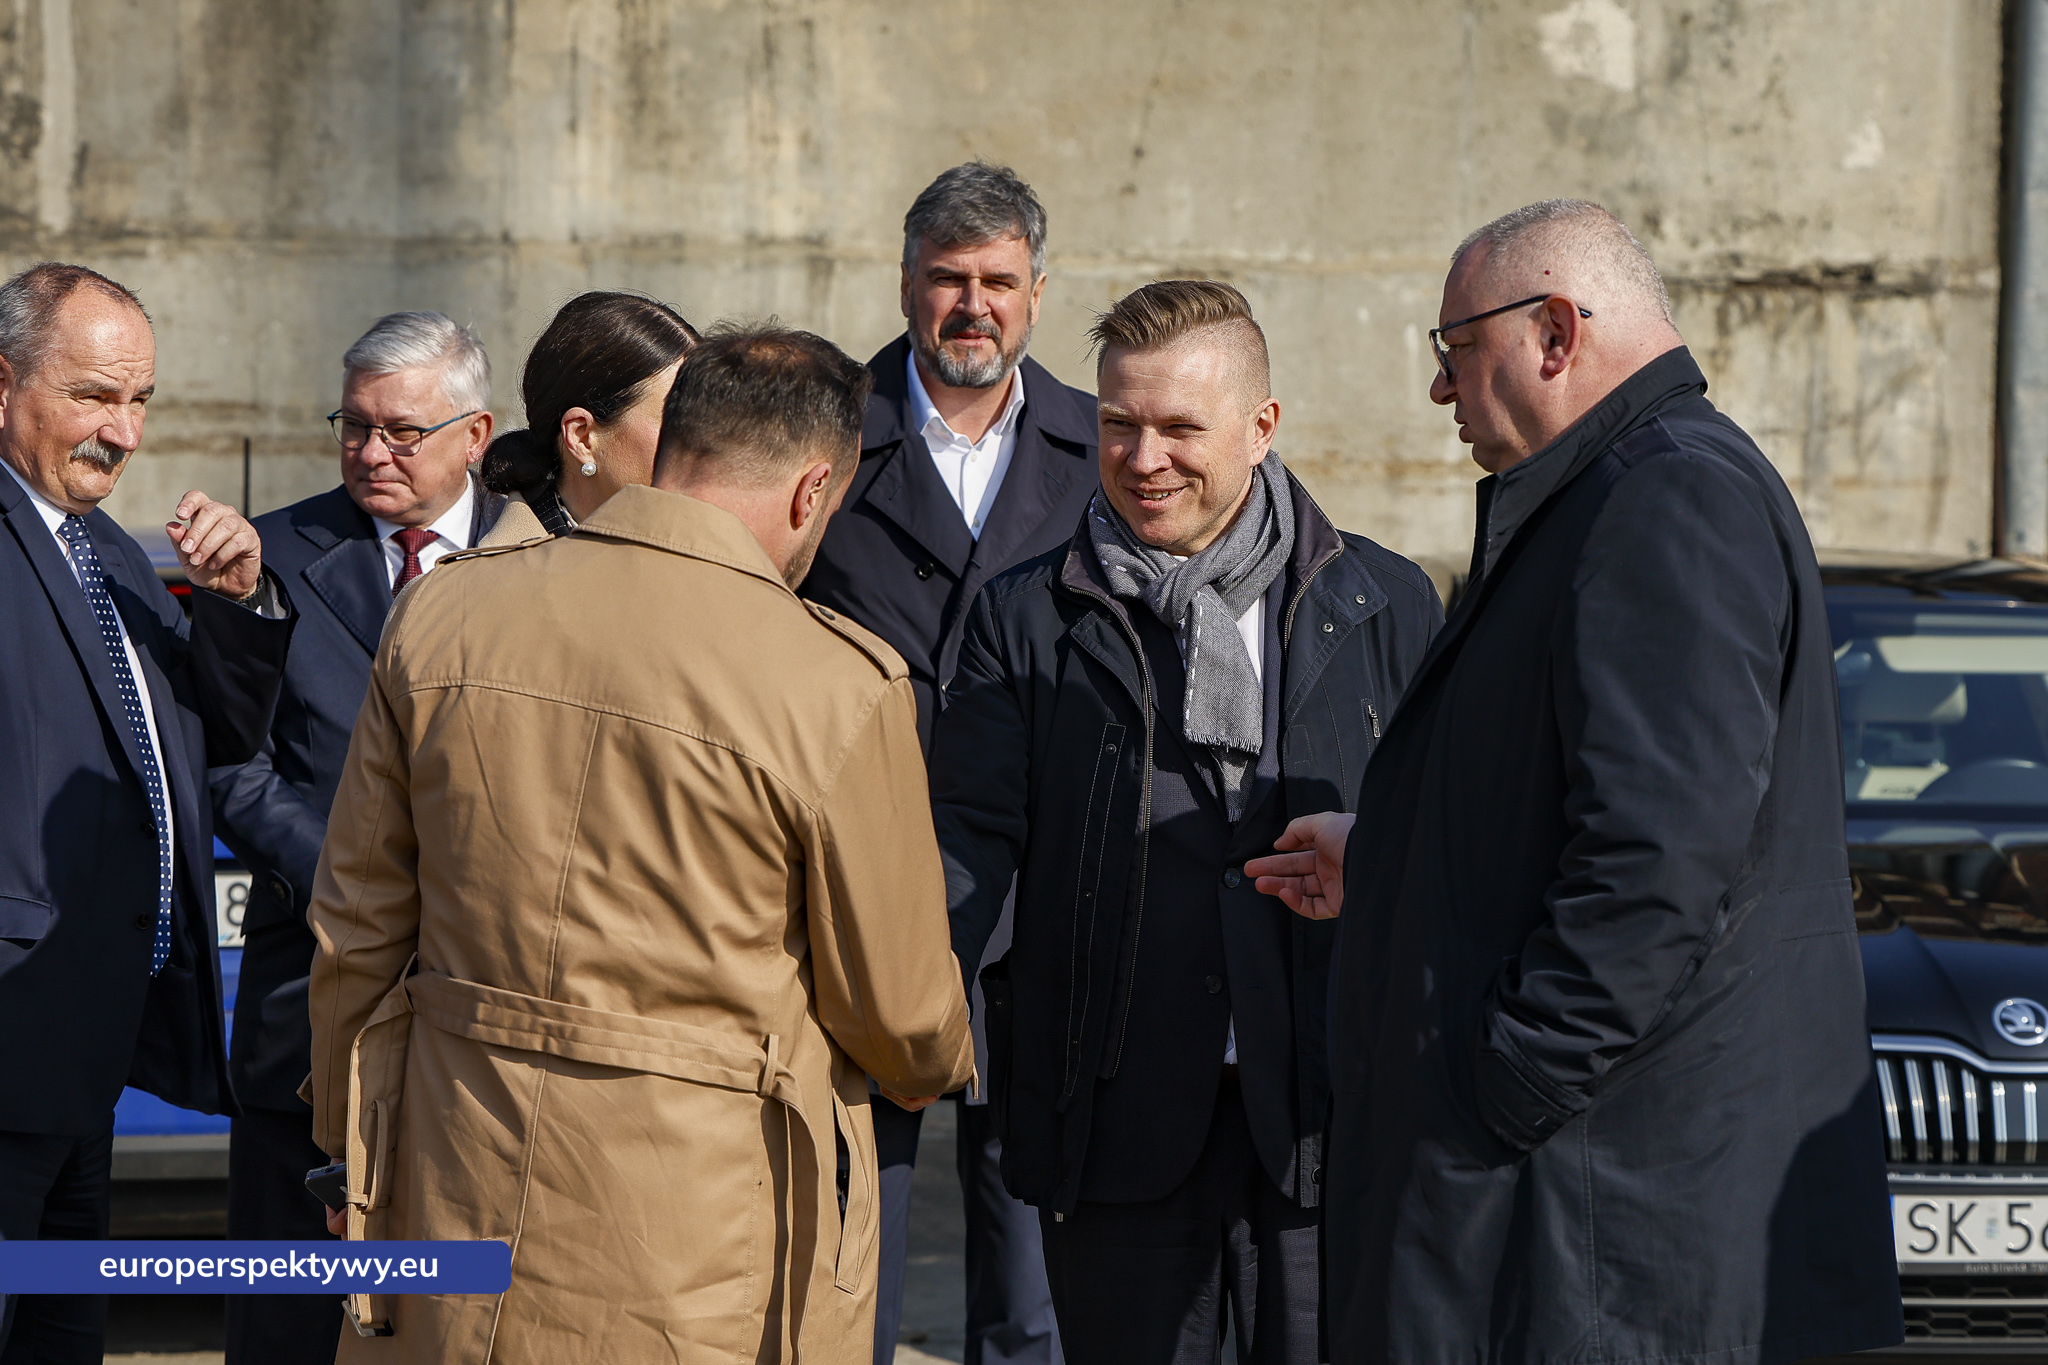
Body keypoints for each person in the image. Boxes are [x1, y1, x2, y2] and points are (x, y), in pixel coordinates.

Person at [1246, 200, 1905, 1363]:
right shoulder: (1616, 490)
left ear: (1552, 332)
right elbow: (1567, 797)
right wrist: (1391, 859)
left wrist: (1503, 1082)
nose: (1440, 392)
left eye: (1453, 350)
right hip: (1579, 1193)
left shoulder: (1663, 498)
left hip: (1599, 1207)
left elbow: (1655, 857)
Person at [306, 322, 976, 1364]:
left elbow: (356, 931)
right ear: (812, 493)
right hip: (698, 1249)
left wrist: (349, 1162)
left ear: (672, 453)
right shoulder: (837, 684)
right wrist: (935, 1057)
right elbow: (899, 1014)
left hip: (452, 1192)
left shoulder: (443, 617)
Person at [932, 280, 1441, 1365]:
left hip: (1326, 1124)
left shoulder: (1385, 603)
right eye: (1118, 425)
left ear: (1260, 427)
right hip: (1110, 1130)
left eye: (1177, 428)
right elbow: (961, 844)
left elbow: (1444, 832)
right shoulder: (1026, 615)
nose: (1142, 458)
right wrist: (911, 1016)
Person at [802, 160, 1096, 1365]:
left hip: (1041, 896)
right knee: (847, 1236)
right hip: (855, 890)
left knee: (1028, 1257)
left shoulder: (1102, 451)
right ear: (906, 282)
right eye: (945, 281)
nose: (970, 306)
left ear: (1035, 292)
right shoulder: (819, 434)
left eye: (996, 282)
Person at [0, 262, 293, 1363]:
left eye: (141, 402)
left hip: (85, 1053)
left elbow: (217, 740)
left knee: (61, 1341)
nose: (122, 433)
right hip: (14, 1034)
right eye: (92, 396)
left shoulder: (107, 550)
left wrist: (237, 604)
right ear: (2, 384)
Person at [207, 310, 503, 1365]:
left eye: (402, 432)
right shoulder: (275, 553)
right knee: (288, 1318)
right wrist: (350, 877)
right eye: (353, 426)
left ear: (477, 434)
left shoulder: (542, 559)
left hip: (485, 1008)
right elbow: (226, 760)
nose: (371, 452)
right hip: (312, 999)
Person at [478, 290, 700, 542]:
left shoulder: (723, 556)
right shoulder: (498, 577)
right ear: (582, 437)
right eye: (676, 420)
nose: (703, 443)